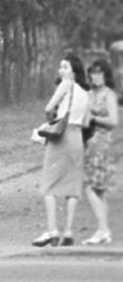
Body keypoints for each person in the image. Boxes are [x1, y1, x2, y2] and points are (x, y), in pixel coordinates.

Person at [33, 55, 91, 247]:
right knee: (72, 187)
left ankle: (52, 231)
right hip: (77, 138)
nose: (61, 71)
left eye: (65, 67)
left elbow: (48, 108)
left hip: (61, 137)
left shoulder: (66, 84)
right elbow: (86, 122)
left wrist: (52, 119)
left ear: (73, 72)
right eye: (61, 67)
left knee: (49, 184)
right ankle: (68, 232)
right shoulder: (85, 93)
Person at [82, 58, 119, 245]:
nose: (96, 76)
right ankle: (104, 231)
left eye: (99, 73)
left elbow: (113, 121)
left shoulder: (108, 95)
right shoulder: (87, 95)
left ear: (105, 75)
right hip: (88, 143)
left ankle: (102, 229)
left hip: (102, 144)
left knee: (90, 188)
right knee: (98, 190)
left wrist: (94, 118)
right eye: (93, 73)